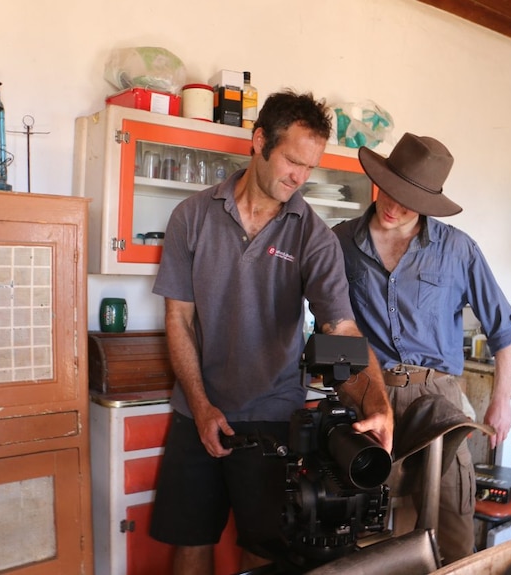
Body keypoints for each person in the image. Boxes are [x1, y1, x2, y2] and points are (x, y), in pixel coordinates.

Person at [149, 90, 394, 574]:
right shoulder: (192, 217)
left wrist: (377, 403)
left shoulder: (313, 237)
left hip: (272, 419)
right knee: (190, 542)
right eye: (291, 160)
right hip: (195, 409)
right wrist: (200, 407)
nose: (299, 177)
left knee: (263, 551)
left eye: (310, 167)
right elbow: (178, 318)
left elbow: (338, 328)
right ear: (259, 141)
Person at [332, 132, 511, 563]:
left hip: (437, 401)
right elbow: (327, 322)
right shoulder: (341, 242)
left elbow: (503, 329)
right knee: (367, 535)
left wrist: (502, 400)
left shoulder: (457, 250)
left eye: (409, 200)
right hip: (366, 395)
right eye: (391, 192)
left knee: (451, 525)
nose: (394, 206)